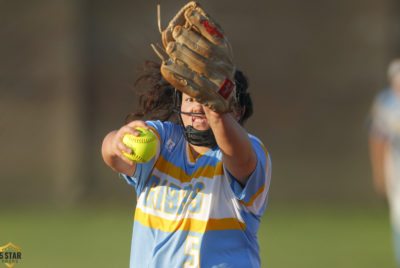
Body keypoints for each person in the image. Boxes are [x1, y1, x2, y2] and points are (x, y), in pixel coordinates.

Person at [101, 61, 271, 268]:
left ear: (237, 110)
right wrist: (114, 142)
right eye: (190, 98)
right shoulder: (163, 140)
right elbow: (114, 157)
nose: (198, 107)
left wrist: (217, 113)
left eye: (209, 99)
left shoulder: (249, 150)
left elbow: (241, 161)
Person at [369, 58, 400, 266]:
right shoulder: (385, 102)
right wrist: (378, 172)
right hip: (395, 163)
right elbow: (377, 138)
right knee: (398, 213)